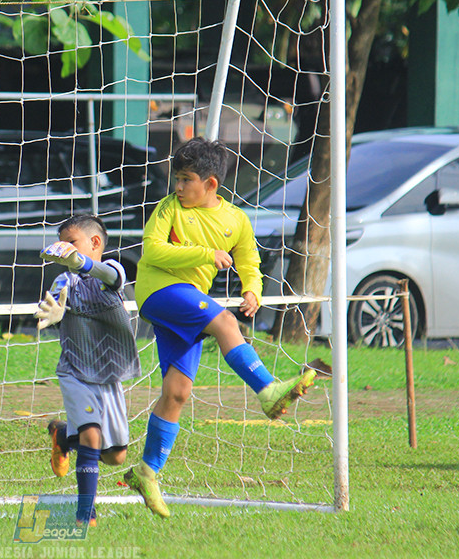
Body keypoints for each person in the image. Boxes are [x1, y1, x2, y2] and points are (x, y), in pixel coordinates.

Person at [124, 137, 316, 518]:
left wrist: (252, 290)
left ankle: (146, 472)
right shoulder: (169, 209)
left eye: (185, 180)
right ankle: (268, 390)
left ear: (211, 184)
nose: (178, 188)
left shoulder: (235, 220)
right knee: (225, 322)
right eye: (176, 179)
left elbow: (250, 261)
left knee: (177, 393)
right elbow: (152, 250)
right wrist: (206, 254)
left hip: (186, 301)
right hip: (159, 290)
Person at [35, 214, 141, 527]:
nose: (63, 249)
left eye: (71, 242)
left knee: (116, 456)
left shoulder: (113, 270)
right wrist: (54, 311)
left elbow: (106, 275)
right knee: (93, 438)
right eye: (61, 243)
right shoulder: (64, 280)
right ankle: (85, 514)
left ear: (95, 243)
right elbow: (50, 303)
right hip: (75, 372)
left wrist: (80, 262)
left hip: (109, 375)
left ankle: (64, 434)